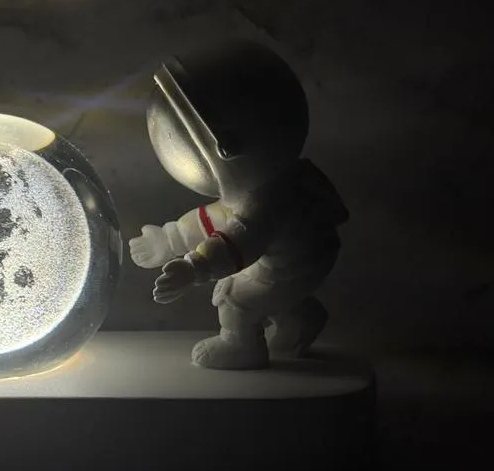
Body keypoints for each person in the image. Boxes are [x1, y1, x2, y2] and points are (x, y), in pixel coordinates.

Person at [130, 40, 348, 369]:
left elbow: (235, 245)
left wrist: (194, 268)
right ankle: (299, 319)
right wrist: (170, 239)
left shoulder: (265, 204)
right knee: (267, 290)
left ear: (226, 149)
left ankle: (241, 346)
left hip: (290, 265)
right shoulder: (277, 184)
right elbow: (214, 219)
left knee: (233, 296)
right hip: (305, 259)